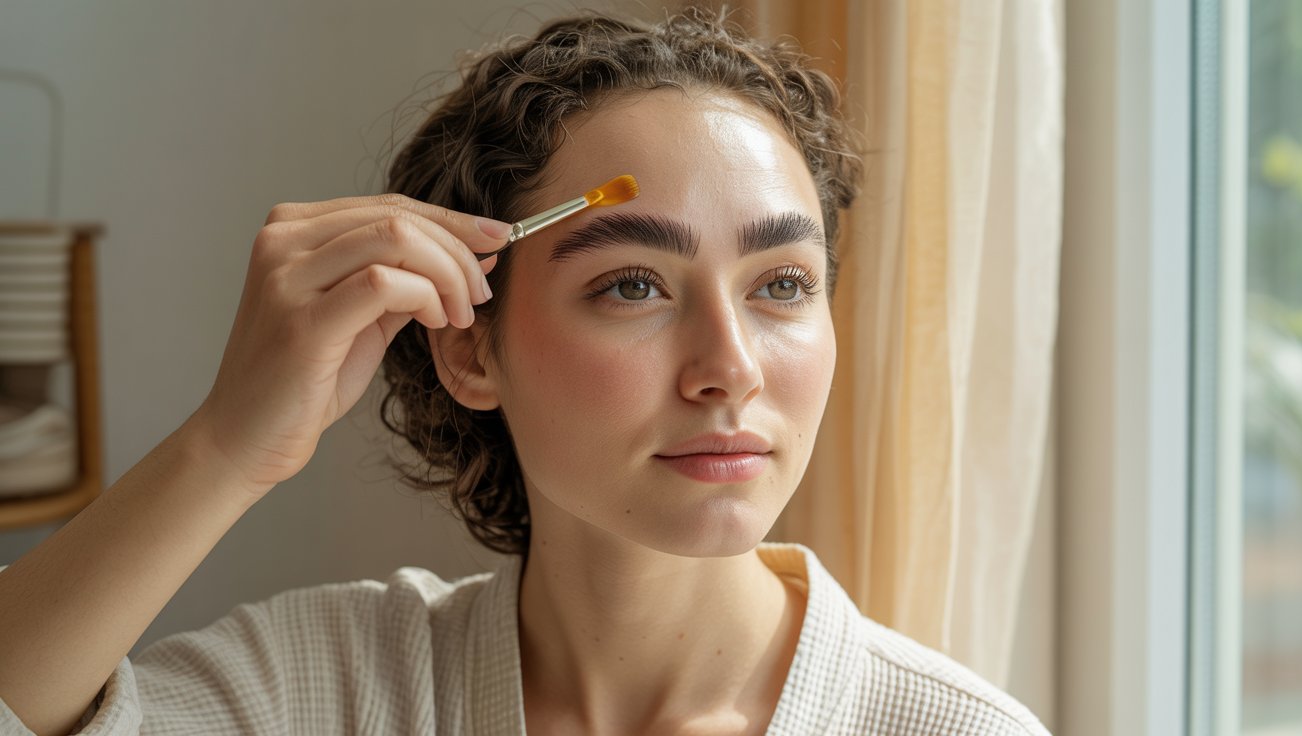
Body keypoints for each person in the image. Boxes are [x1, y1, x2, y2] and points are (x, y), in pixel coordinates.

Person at [0, 8, 1050, 736]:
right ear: (470, 346)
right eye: (633, 285)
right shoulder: (331, 687)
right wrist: (227, 448)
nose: (729, 369)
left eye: (781, 285)